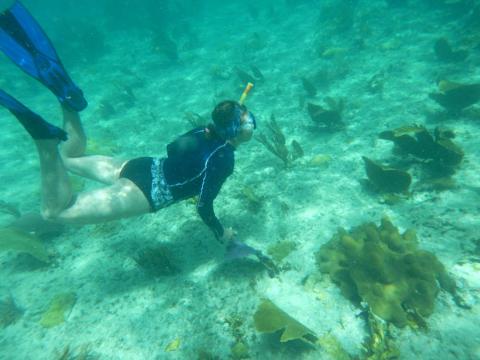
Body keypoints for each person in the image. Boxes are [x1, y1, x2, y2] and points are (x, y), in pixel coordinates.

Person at [0, 1, 256, 246]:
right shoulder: (224, 159)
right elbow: (203, 205)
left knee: (68, 158)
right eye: (248, 122)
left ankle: (66, 99)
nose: (252, 124)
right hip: (143, 193)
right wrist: (221, 233)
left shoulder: (204, 130)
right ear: (234, 129)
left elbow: (172, 148)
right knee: (53, 213)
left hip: (142, 166)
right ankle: (44, 142)